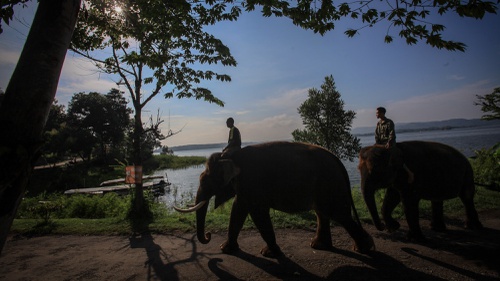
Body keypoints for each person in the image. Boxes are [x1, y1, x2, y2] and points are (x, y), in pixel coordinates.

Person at [375, 107, 414, 183]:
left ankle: (409, 172)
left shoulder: (389, 122)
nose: (376, 114)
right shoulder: (378, 124)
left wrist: (389, 142)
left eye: (377, 113)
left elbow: (391, 134)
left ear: (382, 113)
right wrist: (377, 144)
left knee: (394, 155)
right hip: (380, 144)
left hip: (389, 144)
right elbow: (377, 136)